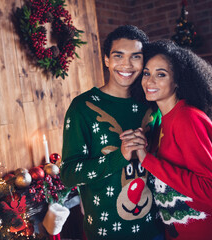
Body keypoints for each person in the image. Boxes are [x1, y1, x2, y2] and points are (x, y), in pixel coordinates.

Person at [120, 40, 212, 240]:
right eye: (146, 73)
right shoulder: (163, 121)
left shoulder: (187, 118)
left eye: (161, 74)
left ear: (177, 81)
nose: (149, 81)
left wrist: (147, 159)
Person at [60, 25, 163, 240]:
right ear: (106, 59)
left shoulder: (153, 104)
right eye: (119, 56)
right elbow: (69, 175)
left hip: (154, 229)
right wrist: (120, 157)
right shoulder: (82, 107)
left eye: (136, 57)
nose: (126, 64)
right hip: (105, 232)